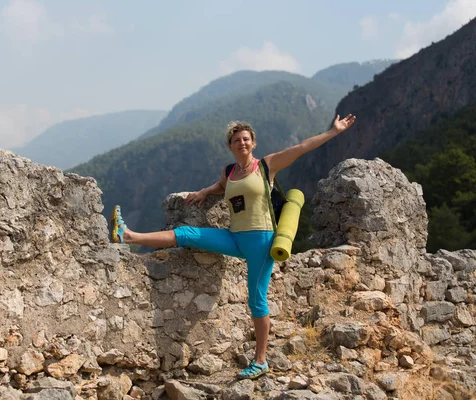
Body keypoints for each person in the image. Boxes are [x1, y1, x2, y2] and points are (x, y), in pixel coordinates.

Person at [110, 114, 357, 379]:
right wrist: (205, 191)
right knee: (186, 233)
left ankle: (261, 360)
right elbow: (222, 186)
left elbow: (302, 148)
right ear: (230, 146)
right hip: (234, 237)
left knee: (256, 300)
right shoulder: (230, 171)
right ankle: (128, 236)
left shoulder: (266, 166)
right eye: (237, 140)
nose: (242, 143)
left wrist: (334, 131)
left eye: (246, 139)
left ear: (254, 143)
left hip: (261, 242)